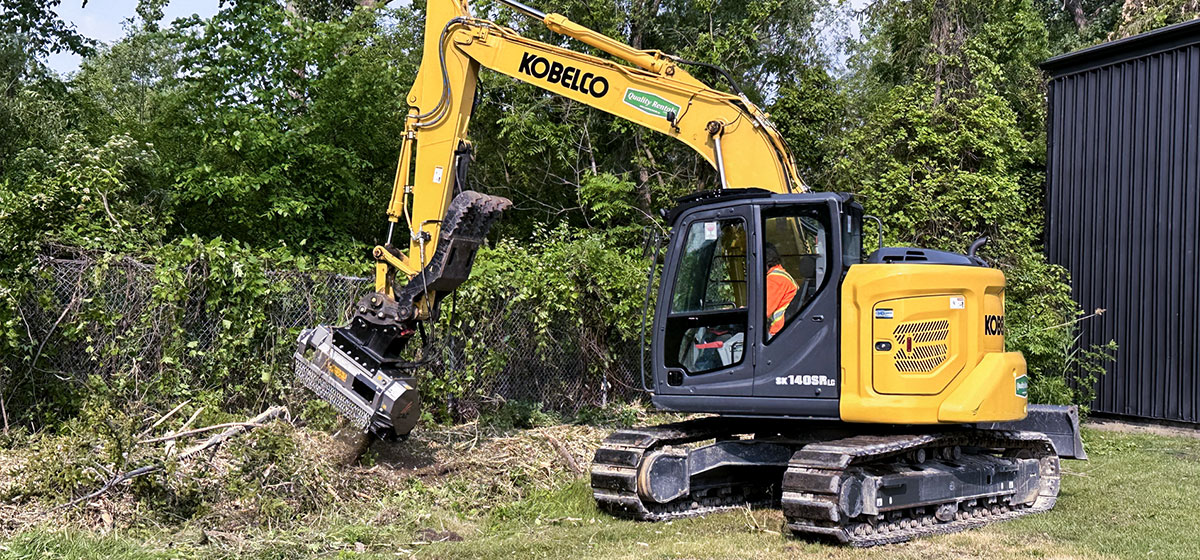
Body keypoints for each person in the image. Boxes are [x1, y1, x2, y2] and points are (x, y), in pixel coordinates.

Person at [764, 243, 797, 336]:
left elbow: (761, 312)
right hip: (783, 330)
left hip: (777, 332)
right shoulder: (781, 275)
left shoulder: (775, 279)